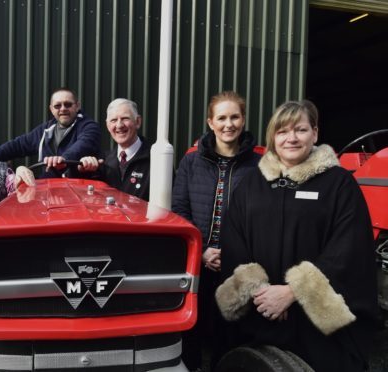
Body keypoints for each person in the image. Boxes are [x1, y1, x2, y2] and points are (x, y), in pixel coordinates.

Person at [215, 100, 377, 371]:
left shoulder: (340, 184)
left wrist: (294, 291)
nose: (291, 138)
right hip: (260, 314)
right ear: (272, 137)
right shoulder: (251, 184)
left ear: (314, 133)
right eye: (282, 131)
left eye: (300, 130)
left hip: (317, 331)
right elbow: (234, 241)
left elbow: (350, 250)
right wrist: (260, 291)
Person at [171, 91, 261, 370]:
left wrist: (232, 252)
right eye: (221, 118)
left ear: (243, 119)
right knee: (192, 328)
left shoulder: (258, 165)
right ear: (210, 122)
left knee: (229, 330)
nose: (228, 124)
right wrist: (201, 251)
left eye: (234, 117)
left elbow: (261, 218)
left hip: (236, 264)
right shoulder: (191, 161)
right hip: (198, 260)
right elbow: (180, 209)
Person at [0, 87, 101, 177]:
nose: (63, 109)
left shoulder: (89, 127)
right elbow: (18, 145)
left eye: (68, 104)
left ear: (77, 106)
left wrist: (63, 159)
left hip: (79, 191)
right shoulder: (45, 130)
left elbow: (82, 145)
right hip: (48, 190)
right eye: (57, 106)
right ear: (51, 109)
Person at [78, 98, 150, 201]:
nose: (119, 125)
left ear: (137, 122)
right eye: (114, 120)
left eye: (125, 118)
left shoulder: (156, 160)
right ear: (108, 125)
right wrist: (83, 172)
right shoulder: (102, 162)